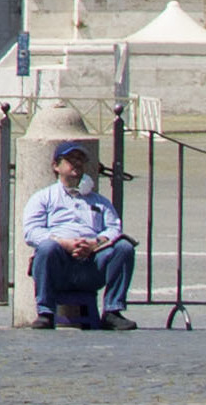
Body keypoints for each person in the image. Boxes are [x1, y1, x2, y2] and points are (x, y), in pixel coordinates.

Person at [21, 137, 136, 329]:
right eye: (70, 159)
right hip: (60, 262)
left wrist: (95, 243)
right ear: (56, 166)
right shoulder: (43, 198)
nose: (77, 163)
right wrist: (64, 243)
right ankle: (46, 312)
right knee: (47, 247)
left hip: (92, 262)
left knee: (124, 247)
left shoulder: (99, 201)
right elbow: (32, 231)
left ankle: (113, 311)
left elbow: (114, 228)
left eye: (80, 160)